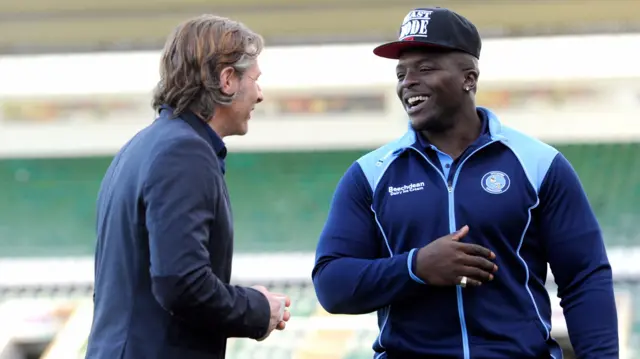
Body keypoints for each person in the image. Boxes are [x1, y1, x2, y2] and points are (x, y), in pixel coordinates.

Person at [312, 7, 618, 359]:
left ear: (468, 78)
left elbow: (584, 278)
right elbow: (331, 284)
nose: (408, 82)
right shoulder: (369, 174)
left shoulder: (540, 164)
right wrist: (415, 267)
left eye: (425, 68)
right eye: (401, 73)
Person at [85, 15, 291, 359]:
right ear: (227, 80)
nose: (260, 94)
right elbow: (181, 283)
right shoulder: (185, 152)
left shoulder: (142, 146)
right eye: (255, 79)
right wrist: (257, 309)